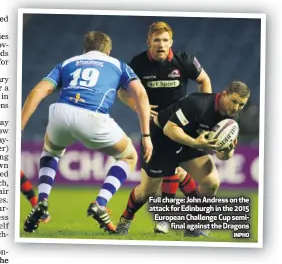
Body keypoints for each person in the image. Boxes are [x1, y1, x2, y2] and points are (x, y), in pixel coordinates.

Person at [21, 31, 153, 233]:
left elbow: (38, 92)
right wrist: (146, 135)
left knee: (51, 151)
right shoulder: (118, 65)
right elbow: (141, 93)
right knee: (129, 156)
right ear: (108, 50)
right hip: (93, 117)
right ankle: (100, 202)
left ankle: (43, 200)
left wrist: (19, 127)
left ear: (85, 49)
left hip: (60, 113)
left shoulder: (67, 63)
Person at [115, 81, 250, 237]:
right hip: (161, 138)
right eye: (234, 101)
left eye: (241, 105)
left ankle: (193, 225)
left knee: (211, 182)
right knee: (147, 191)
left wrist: (228, 148)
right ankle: (126, 219)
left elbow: (223, 156)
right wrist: (195, 143)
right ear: (224, 94)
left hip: (189, 142)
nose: (236, 108)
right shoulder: (199, 103)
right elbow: (169, 129)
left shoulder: (233, 121)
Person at [119, 21, 212, 235]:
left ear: (171, 42)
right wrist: (136, 105)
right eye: (156, 40)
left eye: (164, 40)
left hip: (180, 125)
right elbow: (123, 92)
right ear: (149, 42)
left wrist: (201, 107)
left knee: (177, 168)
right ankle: (126, 218)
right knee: (148, 188)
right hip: (153, 128)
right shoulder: (138, 63)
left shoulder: (184, 60)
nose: (161, 44)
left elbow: (204, 80)